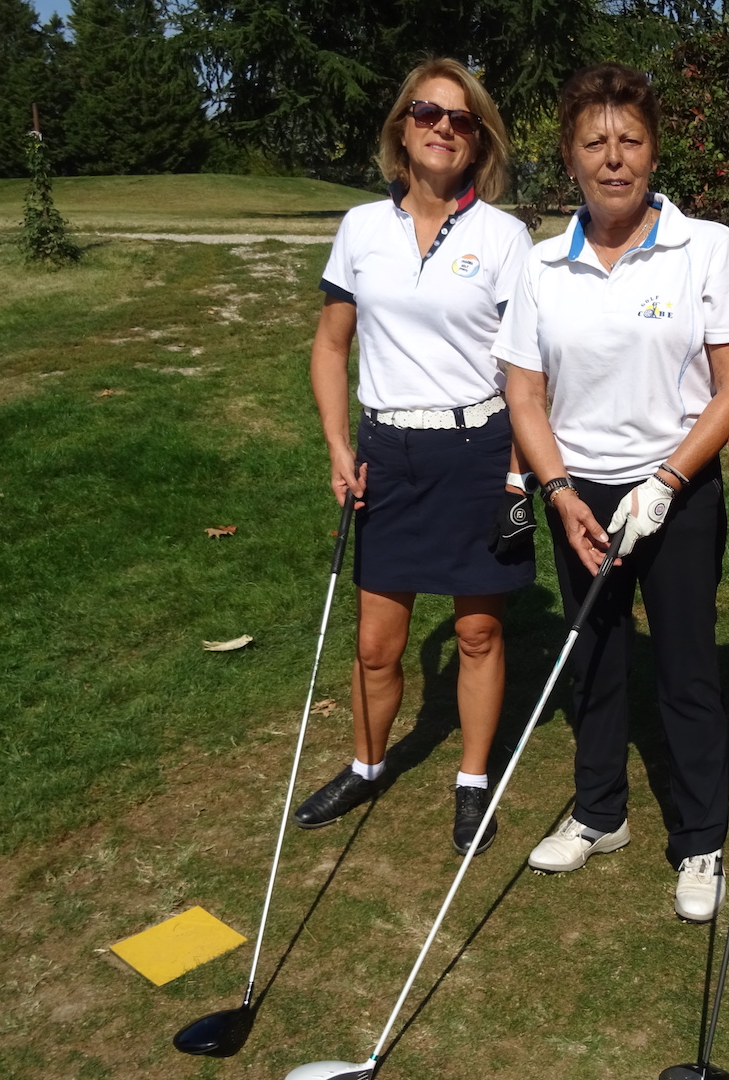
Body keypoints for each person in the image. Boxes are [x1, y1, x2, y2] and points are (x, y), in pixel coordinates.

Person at [496, 62, 729, 922]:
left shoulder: (706, 247)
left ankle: (699, 842)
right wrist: (560, 491)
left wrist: (670, 480)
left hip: (676, 493)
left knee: (686, 668)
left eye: (630, 140)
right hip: (578, 493)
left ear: (654, 150)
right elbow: (524, 394)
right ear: (568, 158)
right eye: (594, 142)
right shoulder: (541, 265)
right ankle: (599, 813)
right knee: (593, 656)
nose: (614, 158)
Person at [298, 58, 537, 857]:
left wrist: (517, 469)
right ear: (403, 127)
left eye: (461, 119)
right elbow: (332, 348)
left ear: (478, 141)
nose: (443, 127)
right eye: (428, 112)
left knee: (476, 634)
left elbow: (527, 369)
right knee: (376, 644)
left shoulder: (506, 238)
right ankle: (367, 764)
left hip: (478, 448)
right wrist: (338, 445)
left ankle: (472, 782)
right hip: (389, 450)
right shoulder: (361, 228)